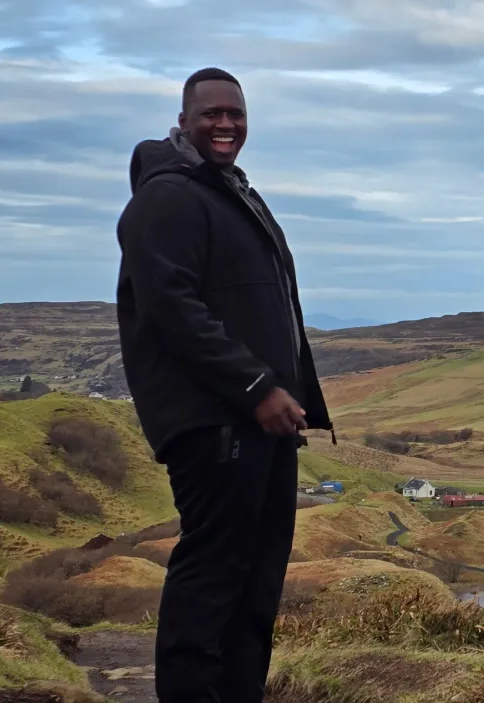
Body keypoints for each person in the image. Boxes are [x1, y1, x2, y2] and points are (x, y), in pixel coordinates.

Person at [115, 67, 334, 702]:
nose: (225, 124)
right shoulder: (168, 197)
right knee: (213, 578)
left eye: (235, 113)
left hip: (261, 424)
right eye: (211, 113)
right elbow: (171, 307)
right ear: (183, 120)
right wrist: (256, 388)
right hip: (218, 423)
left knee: (257, 584)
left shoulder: (228, 192)